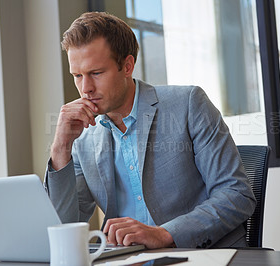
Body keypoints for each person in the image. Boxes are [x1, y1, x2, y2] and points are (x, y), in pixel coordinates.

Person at [44, 11, 256, 249]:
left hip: (205, 255)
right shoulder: (83, 138)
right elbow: (64, 227)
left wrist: (165, 233)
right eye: (77, 76)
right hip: (128, 260)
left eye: (96, 73)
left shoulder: (188, 104)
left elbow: (237, 195)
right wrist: (61, 148)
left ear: (127, 66)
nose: (85, 88)